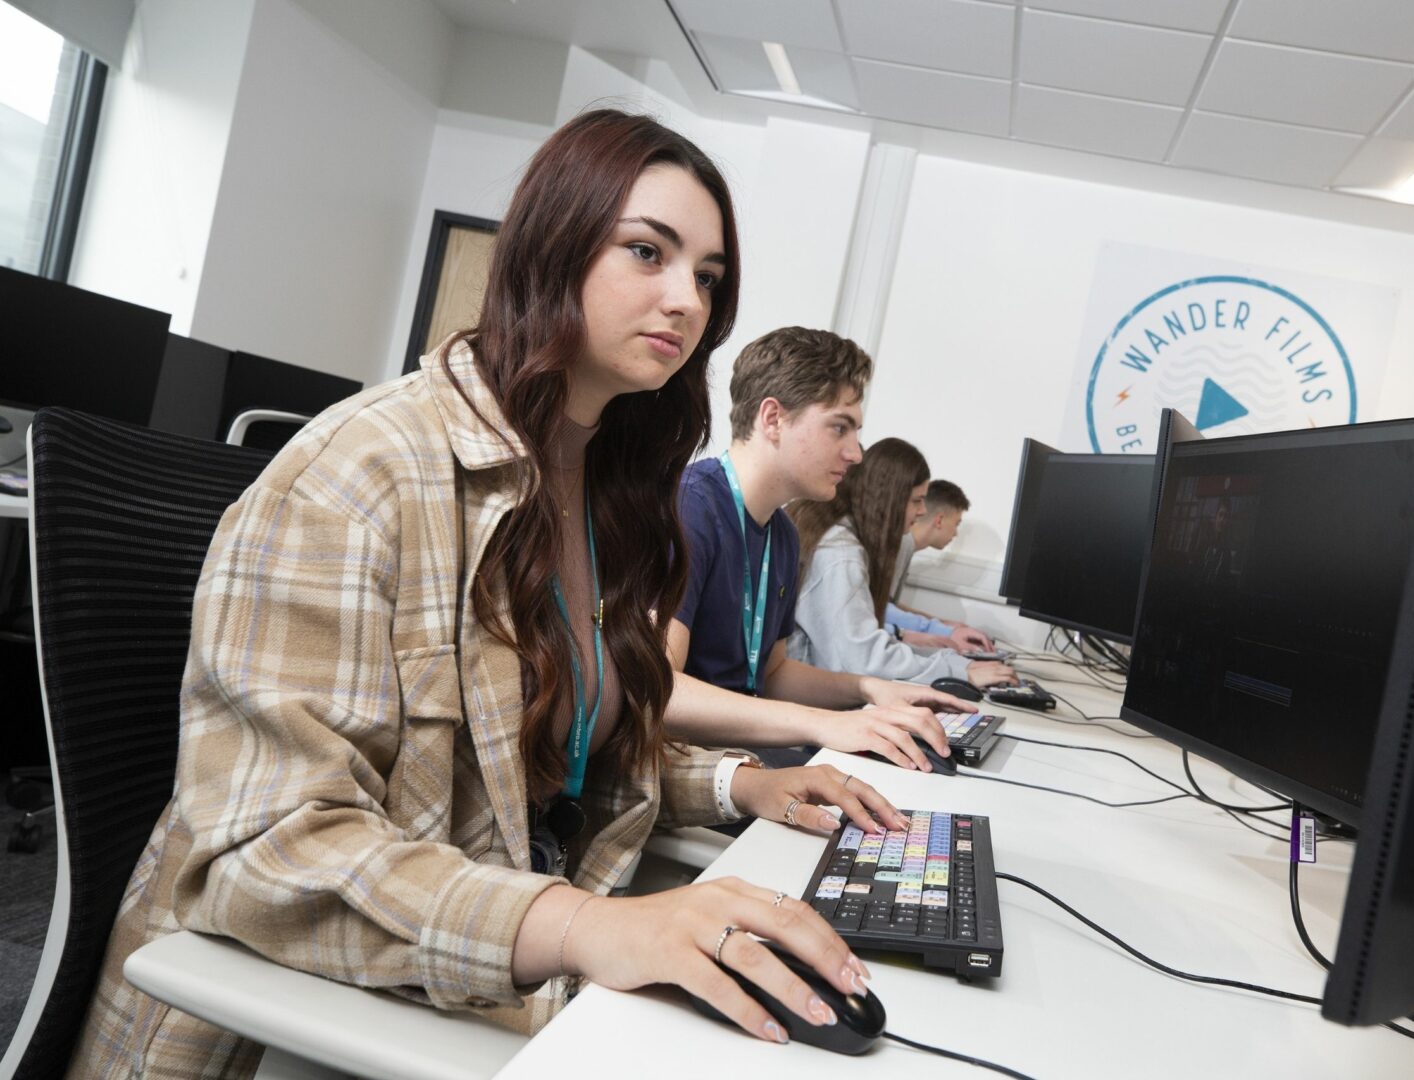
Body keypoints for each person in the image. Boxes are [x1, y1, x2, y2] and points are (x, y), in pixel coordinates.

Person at [69, 110, 907, 1079]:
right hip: (294, 1024)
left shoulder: (602, 493)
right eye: (647, 252)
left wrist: (739, 784)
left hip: (489, 972)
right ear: (552, 248)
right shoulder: (362, 473)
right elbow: (265, 853)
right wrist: (581, 925)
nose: (688, 300)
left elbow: (549, 763)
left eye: (709, 278)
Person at [666, 327, 970, 771]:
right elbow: (662, 691)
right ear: (773, 419)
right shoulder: (692, 508)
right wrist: (820, 724)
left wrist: (868, 689)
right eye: (839, 428)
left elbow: (770, 675)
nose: (856, 454)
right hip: (687, 765)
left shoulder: (783, 534)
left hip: (742, 750)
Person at [787, 438, 1018, 687]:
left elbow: (859, 639)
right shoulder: (840, 552)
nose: (922, 511)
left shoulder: (848, 540)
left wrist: (954, 662)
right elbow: (863, 658)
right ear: (890, 499)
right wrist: (959, 671)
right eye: (917, 500)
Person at [883, 479, 997, 654]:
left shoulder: (905, 545)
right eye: (956, 523)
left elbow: (886, 604)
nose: (956, 533)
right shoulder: (902, 544)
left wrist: (943, 623)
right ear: (939, 520)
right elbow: (882, 609)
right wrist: (945, 630)